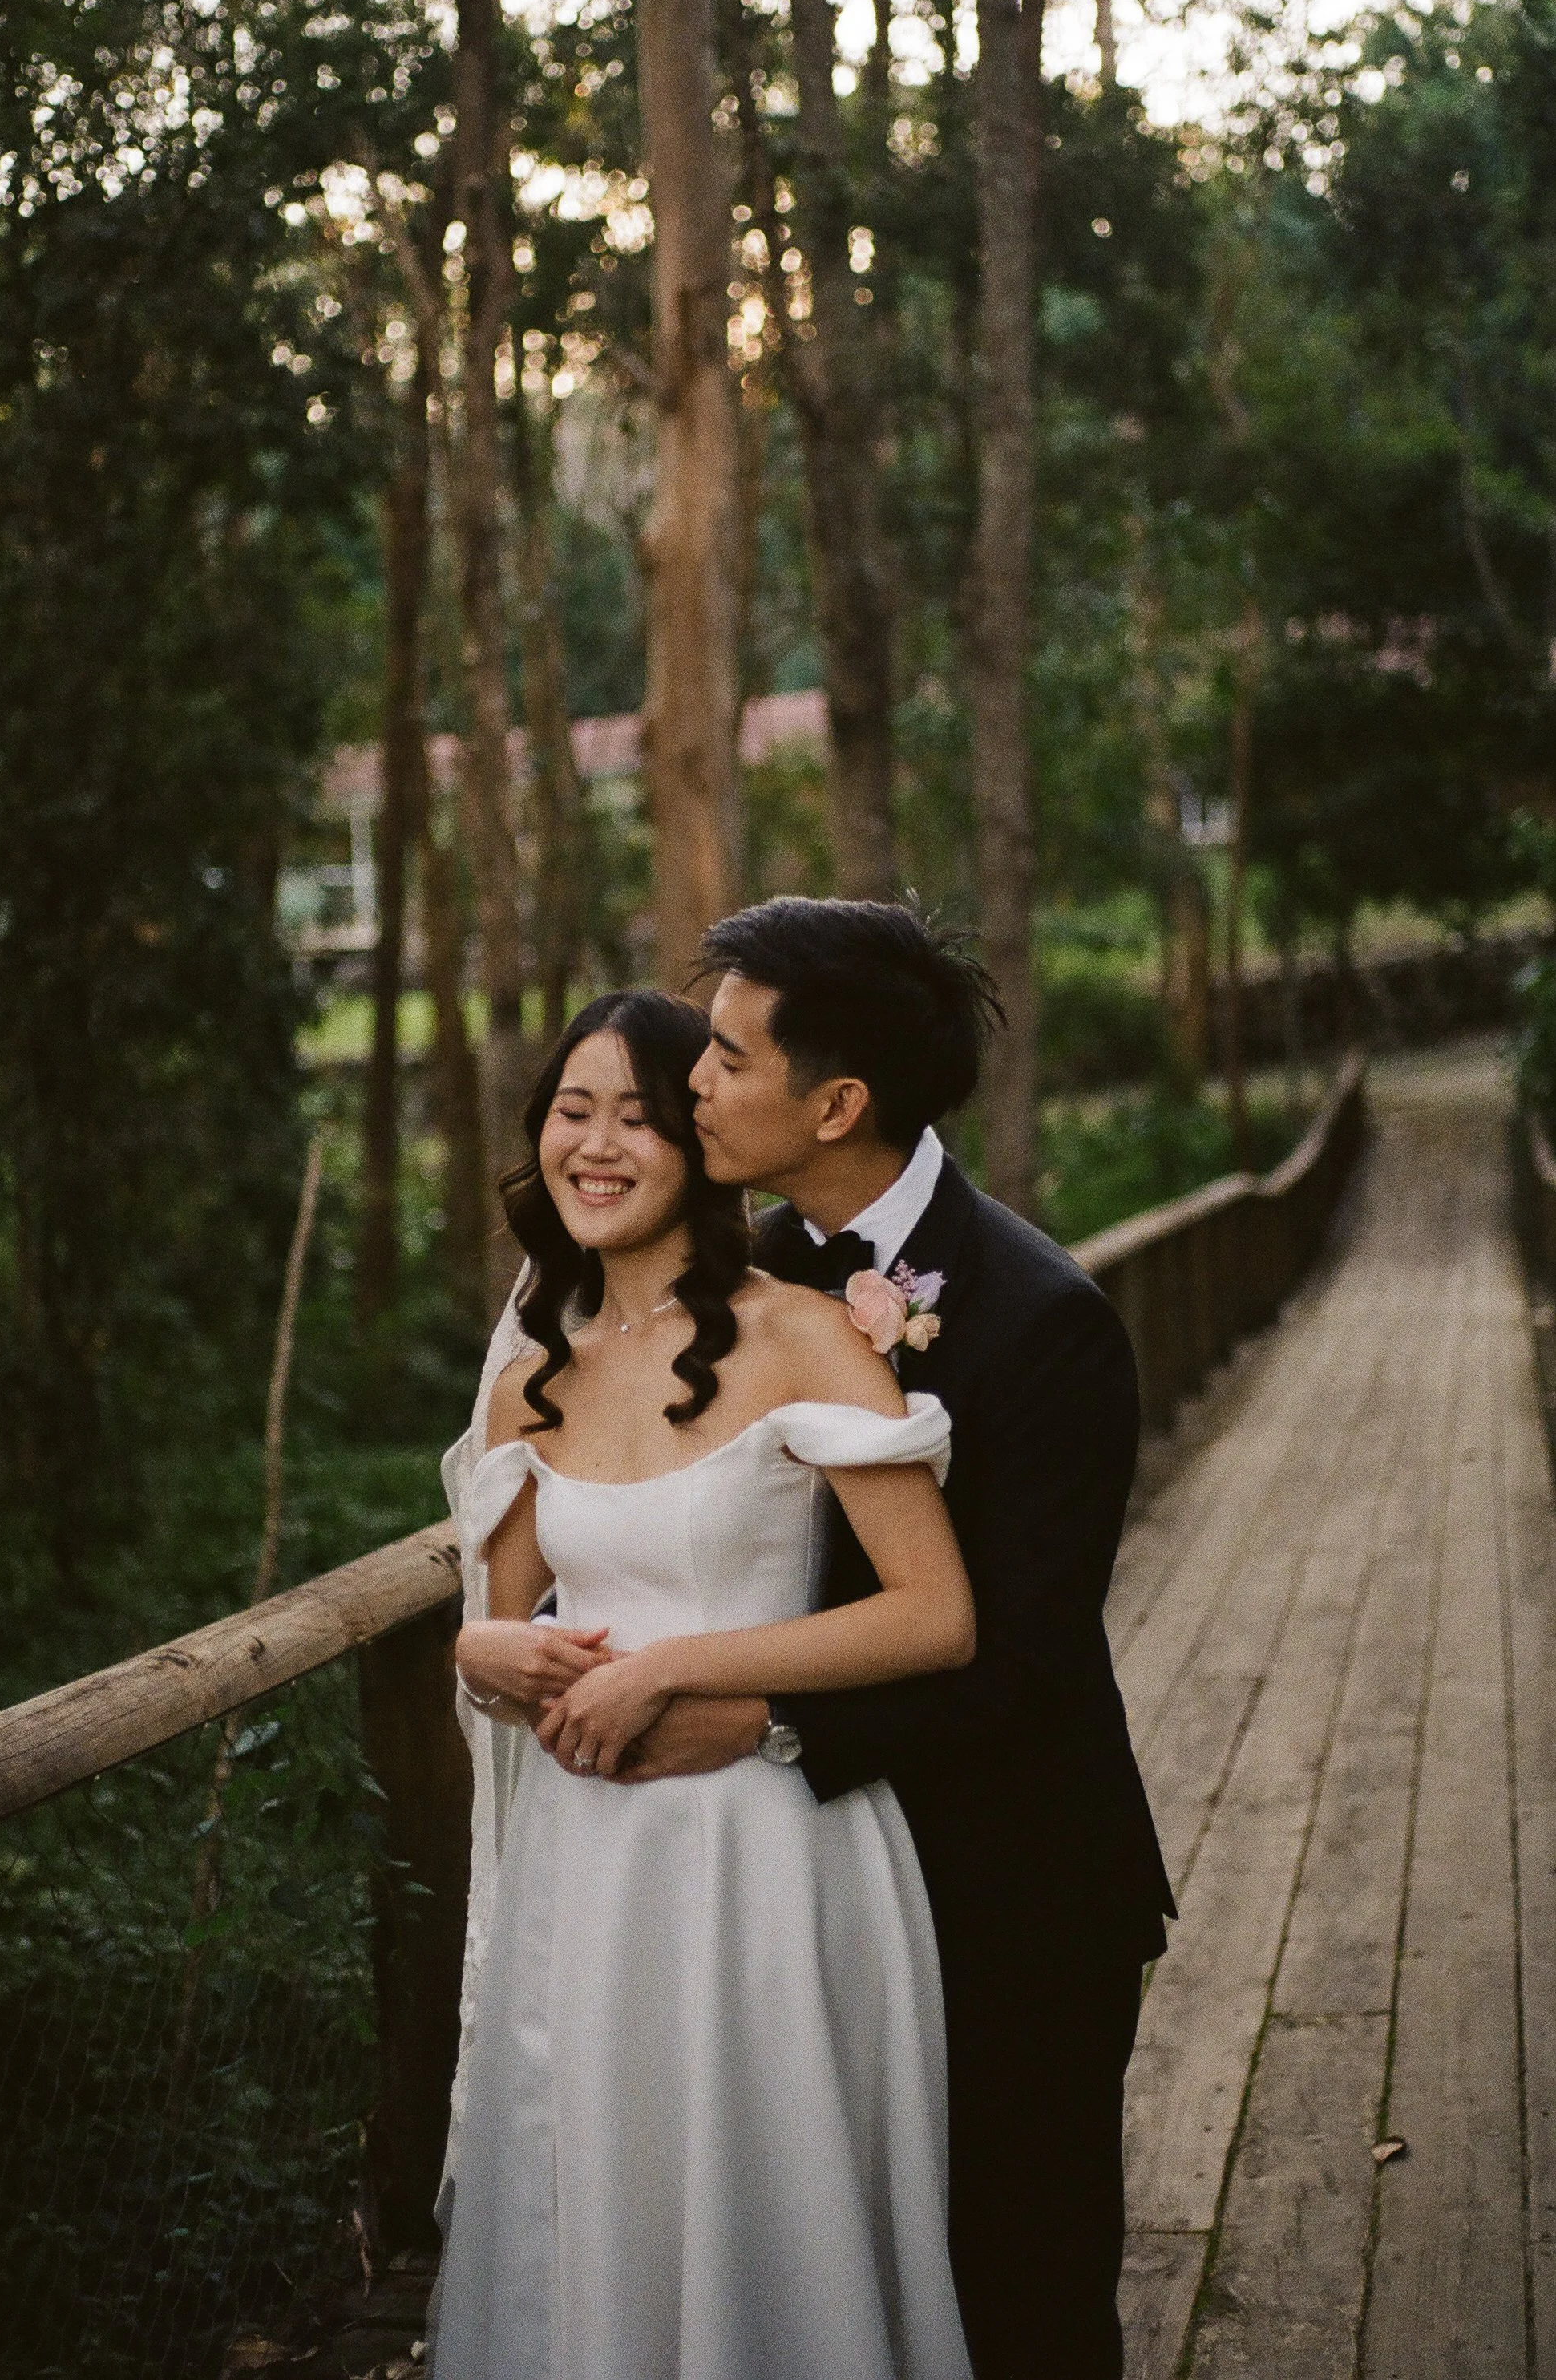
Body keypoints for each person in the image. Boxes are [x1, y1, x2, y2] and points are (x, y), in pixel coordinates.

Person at [600, 898, 1177, 2380]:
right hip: (795, 1894)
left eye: (726, 1058)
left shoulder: (1043, 1321)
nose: (694, 1086)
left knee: (1020, 2286)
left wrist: (769, 1722)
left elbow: (1024, 1655)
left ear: (837, 1101)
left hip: (1012, 1890)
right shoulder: (739, 1276)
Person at [433, 987, 979, 2380]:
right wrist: (475, 1651)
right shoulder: (529, 1377)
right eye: (571, 1110)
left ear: (696, 1141)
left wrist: (676, 1664)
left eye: (636, 1114)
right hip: (586, 1875)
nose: (596, 1145)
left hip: (763, 1861)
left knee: (762, 2227)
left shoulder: (800, 1333)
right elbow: (507, 1645)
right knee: (595, 2217)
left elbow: (934, 1615)